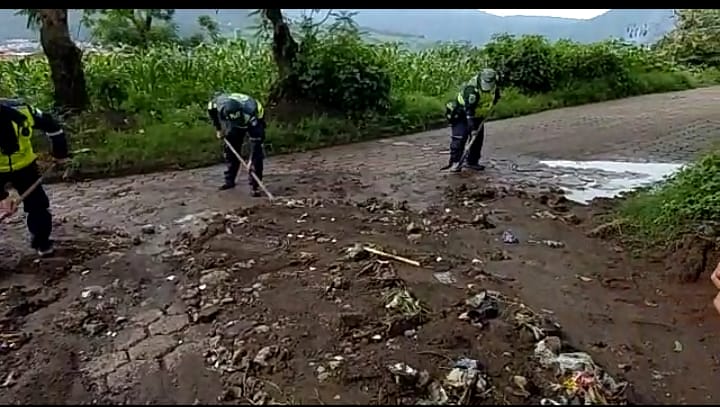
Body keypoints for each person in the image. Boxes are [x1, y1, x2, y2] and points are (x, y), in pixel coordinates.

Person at [0, 98, 69, 257]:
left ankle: (42, 242)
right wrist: (2, 197)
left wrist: (60, 152)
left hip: (25, 166)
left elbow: (52, 126)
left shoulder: (23, 110)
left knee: (38, 204)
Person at [207, 92, 266, 197]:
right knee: (231, 148)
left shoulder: (252, 113)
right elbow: (212, 112)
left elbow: (256, 142)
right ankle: (229, 180)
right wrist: (218, 129)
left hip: (254, 120)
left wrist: (251, 161)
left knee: (256, 157)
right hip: (234, 122)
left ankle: (255, 187)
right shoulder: (218, 105)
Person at [444, 68, 501, 172]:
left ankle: (472, 162)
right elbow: (468, 108)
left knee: (477, 140)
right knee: (460, 138)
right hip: (462, 114)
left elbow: (495, 97)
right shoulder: (471, 89)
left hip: (478, 115)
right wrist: (470, 123)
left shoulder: (494, 85)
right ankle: (455, 162)